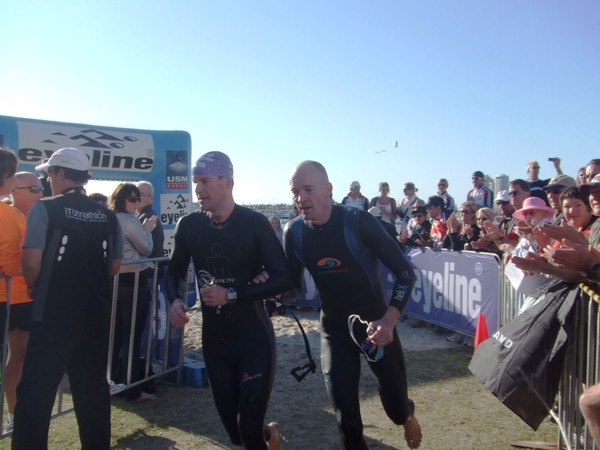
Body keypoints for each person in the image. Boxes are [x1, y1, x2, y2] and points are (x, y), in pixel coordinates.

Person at [285, 160, 422, 449]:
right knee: (347, 425)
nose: (300, 198)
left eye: (308, 189)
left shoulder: (358, 222)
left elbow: (406, 273)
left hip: (376, 329)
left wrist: (389, 320)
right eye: (295, 191)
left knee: (395, 410)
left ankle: (407, 415)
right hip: (334, 332)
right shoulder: (294, 232)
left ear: (328, 190)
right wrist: (274, 292)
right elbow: (293, 288)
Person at [166, 151, 289, 450]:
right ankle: (268, 435)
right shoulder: (189, 225)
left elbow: (284, 278)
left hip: (253, 339)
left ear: (228, 182)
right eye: (196, 182)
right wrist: (174, 302)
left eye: (205, 181)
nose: (198, 189)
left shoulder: (254, 223)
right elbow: (173, 273)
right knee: (236, 433)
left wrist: (232, 294)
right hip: (216, 343)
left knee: (247, 427)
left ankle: (258, 435)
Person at [12, 147, 123, 449]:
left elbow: (32, 262)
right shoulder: (107, 216)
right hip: (93, 316)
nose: (47, 180)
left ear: (60, 173)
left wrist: (35, 284)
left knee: (36, 396)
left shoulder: (45, 208)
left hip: (52, 316)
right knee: (92, 395)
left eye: (48, 174)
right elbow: (114, 265)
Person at [0, 172, 43, 432]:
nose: (41, 193)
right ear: (15, 189)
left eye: (41, 187)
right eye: (35, 188)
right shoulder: (6, 214)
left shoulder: (40, 217)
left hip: (26, 298)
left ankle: (15, 413)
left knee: (20, 356)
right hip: (6, 298)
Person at [109, 182, 157, 402]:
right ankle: (132, 388)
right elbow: (146, 248)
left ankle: (112, 382)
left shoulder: (109, 218)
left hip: (115, 282)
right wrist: (146, 230)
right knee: (132, 338)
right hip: (133, 282)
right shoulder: (128, 220)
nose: (137, 203)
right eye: (133, 199)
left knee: (115, 337)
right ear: (121, 200)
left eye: (139, 198)